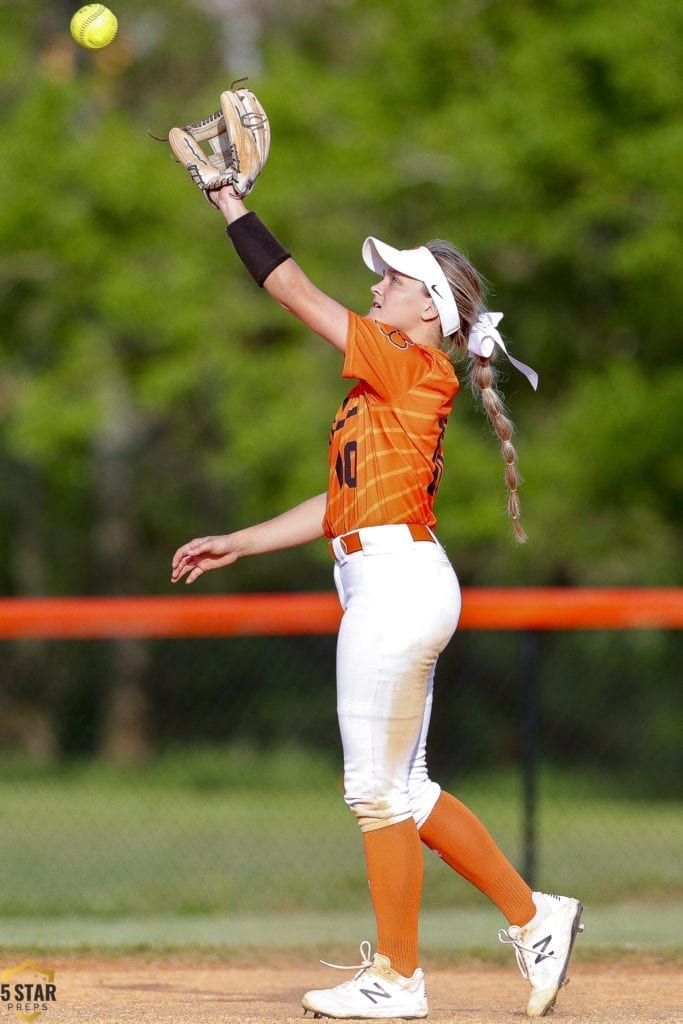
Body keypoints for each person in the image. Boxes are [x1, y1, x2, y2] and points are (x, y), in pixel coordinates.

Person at [171, 185, 584, 1019]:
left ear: (428, 309)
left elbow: (289, 289)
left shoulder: (408, 362)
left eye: (393, 281)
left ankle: (398, 979)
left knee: (374, 791)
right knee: (409, 788)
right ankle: (536, 918)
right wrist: (244, 540)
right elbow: (342, 505)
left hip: (394, 589)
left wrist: (225, 200)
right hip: (392, 576)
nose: (376, 288)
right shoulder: (388, 383)